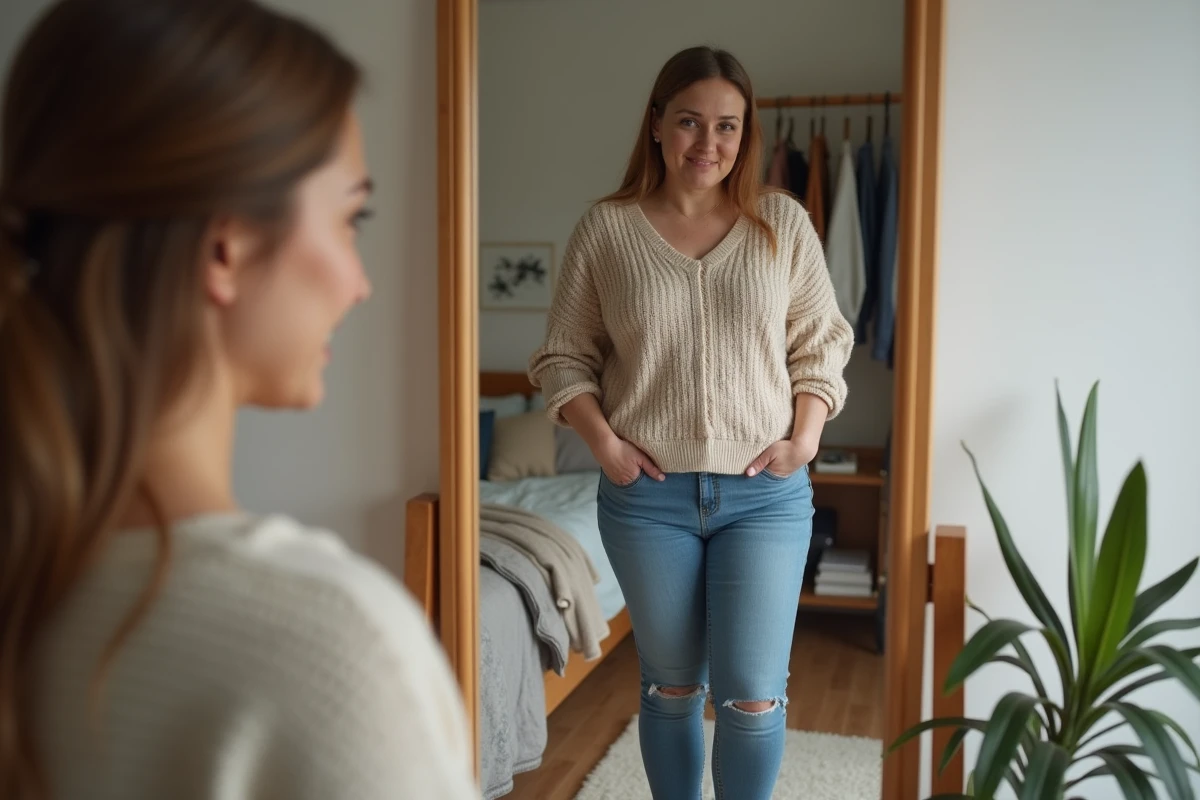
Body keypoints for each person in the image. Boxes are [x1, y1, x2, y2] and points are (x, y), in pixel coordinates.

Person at [0, 2, 478, 799]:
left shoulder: (31, 592)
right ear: (227, 247)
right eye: (351, 219)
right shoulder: (327, 650)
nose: (361, 284)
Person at [529, 46, 854, 800]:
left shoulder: (782, 224)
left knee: (751, 693)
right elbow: (562, 357)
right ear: (655, 126)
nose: (707, 143)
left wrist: (804, 439)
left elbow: (822, 342)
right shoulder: (606, 231)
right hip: (649, 500)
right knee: (672, 687)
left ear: (747, 136)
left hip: (765, 495)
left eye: (727, 127)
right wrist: (603, 443)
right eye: (688, 122)